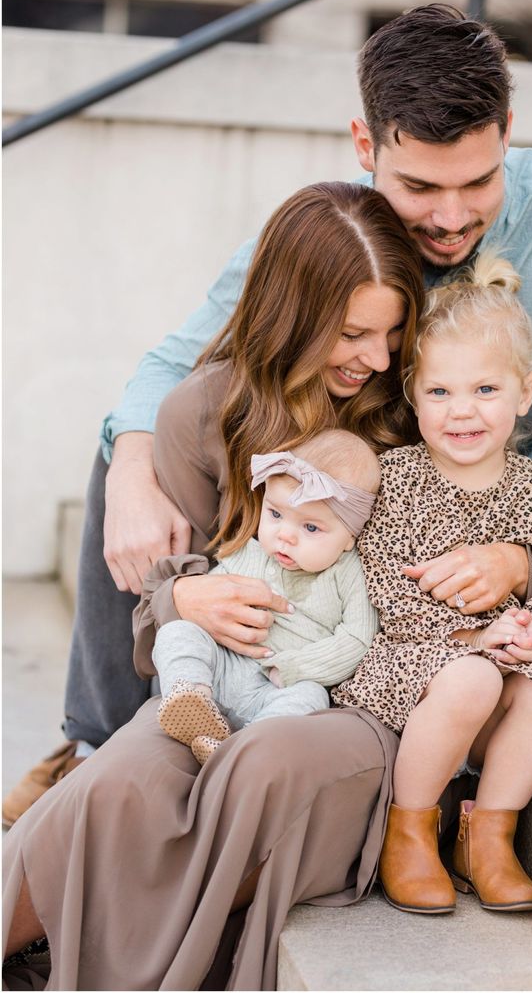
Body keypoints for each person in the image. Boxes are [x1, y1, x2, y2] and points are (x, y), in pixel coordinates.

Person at [5, 7, 532, 797]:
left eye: (479, 182)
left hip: (490, 549)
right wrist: (130, 469)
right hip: (349, 522)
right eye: (421, 187)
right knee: (134, 446)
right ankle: (97, 744)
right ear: (366, 146)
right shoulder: (333, 228)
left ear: (508, 133)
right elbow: (172, 364)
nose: (452, 219)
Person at [3, 179, 426, 989]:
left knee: (257, 766)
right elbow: (164, 591)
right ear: (293, 316)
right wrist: (183, 600)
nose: (376, 356)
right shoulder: (201, 412)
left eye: (394, 331)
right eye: (352, 333)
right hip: (222, 682)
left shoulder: (405, 410)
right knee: (119, 777)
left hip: (348, 697)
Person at [333, 254, 532, 914]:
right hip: (409, 670)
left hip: (507, 669)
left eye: (486, 390)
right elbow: (385, 595)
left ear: (524, 392)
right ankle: (412, 830)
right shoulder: (396, 478)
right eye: (441, 393)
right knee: (474, 676)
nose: (463, 413)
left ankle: (489, 836)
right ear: (413, 395)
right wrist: (477, 638)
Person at [148, 430, 381, 764]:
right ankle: (190, 696)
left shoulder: (348, 574)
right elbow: (210, 604)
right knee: (178, 632)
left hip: (278, 689)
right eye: (275, 514)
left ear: (348, 538)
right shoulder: (250, 553)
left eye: (311, 528)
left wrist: (292, 668)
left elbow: (358, 639)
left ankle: (240, 747)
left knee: (312, 697)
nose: (284, 535)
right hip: (224, 667)